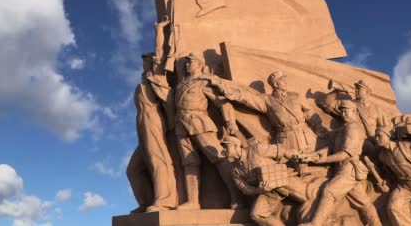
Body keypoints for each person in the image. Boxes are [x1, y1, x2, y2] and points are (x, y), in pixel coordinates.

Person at [174, 52, 243, 210]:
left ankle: (237, 197)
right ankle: (192, 202)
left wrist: (230, 122)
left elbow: (222, 103)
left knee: (220, 158)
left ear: (199, 65)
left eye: (190, 63)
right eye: (186, 63)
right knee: (189, 163)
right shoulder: (181, 84)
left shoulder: (204, 82)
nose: (186, 65)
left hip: (200, 122)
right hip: (181, 125)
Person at [298, 99, 381, 226]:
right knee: (364, 203)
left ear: (354, 111)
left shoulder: (354, 128)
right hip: (341, 168)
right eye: (342, 111)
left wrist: (324, 160)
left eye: (346, 111)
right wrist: (315, 155)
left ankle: (315, 223)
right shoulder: (343, 128)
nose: (343, 114)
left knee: (329, 191)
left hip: (349, 168)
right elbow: (332, 147)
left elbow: (346, 153)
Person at [126, 19, 177, 213]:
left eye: (147, 59)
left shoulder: (157, 77)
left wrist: (159, 30)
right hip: (143, 123)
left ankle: (164, 201)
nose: (145, 61)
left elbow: (160, 52)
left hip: (155, 120)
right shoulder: (145, 80)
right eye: (145, 59)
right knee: (133, 170)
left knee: (158, 160)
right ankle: (146, 202)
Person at [208, 70, 327, 152]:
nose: (285, 81)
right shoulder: (267, 100)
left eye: (285, 79)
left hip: (306, 135)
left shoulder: (296, 96)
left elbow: (309, 113)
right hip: (285, 138)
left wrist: (318, 127)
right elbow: (248, 98)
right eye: (281, 80)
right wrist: (225, 88)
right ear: (275, 84)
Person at [222, 136, 308, 226]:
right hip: (268, 192)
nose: (224, 150)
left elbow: (282, 150)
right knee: (256, 215)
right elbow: (244, 188)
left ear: (235, 146)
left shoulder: (256, 149)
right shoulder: (235, 170)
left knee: (308, 198)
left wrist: (300, 162)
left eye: (226, 147)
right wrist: (259, 190)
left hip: (284, 180)